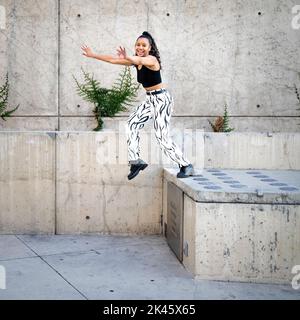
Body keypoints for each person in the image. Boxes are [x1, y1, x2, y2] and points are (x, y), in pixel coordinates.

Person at [81, 31, 194, 180]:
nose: (140, 47)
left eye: (144, 45)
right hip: (150, 100)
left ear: (150, 47)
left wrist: (128, 57)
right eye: (138, 45)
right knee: (131, 124)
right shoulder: (136, 61)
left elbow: (140, 61)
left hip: (162, 100)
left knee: (161, 136)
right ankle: (135, 161)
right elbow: (113, 60)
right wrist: (93, 55)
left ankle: (186, 165)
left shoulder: (152, 60)